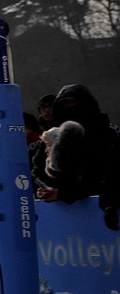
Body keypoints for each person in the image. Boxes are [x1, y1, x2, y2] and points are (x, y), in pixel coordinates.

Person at [35, 84, 120, 231]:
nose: (72, 107)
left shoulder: (107, 133)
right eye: (66, 104)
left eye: (76, 103)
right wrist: (49, 189)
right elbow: (38, 169)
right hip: (63, 223)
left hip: (101, 210)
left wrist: (65, 193)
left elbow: (107, 173)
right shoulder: (55, 135)